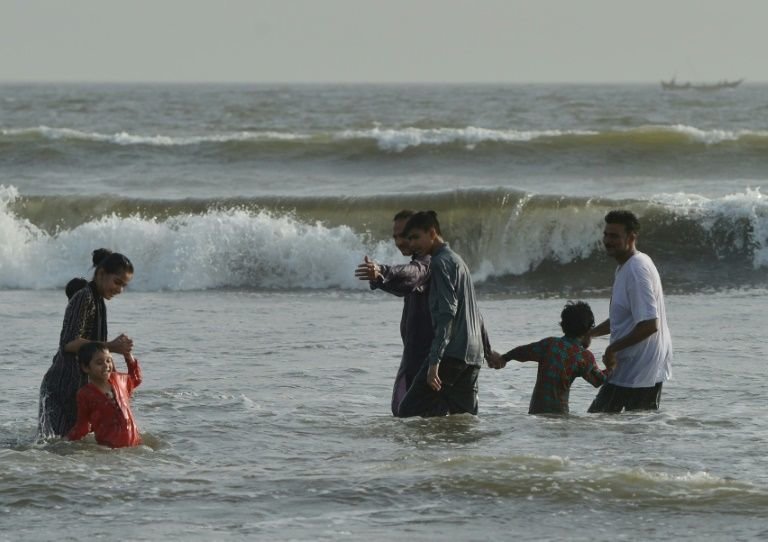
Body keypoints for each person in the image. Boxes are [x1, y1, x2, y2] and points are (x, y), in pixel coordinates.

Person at [396, 211, 494, 417]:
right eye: (409, 238)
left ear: (432, 233)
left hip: (452, 354)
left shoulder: (439, 263)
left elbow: (446, 315)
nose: (411, 244)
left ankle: (428, 448)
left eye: (415, 237)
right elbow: (474, 311)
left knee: (407, 411)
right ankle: (459, 450)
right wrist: (487, 349)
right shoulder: (459, 261)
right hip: (473, 356)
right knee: (463, 419)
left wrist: (434, 363)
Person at [38, 249, 135, 438]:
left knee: (76, 447)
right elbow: (69, 343)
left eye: (124, 285)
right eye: (117, 282)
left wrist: (114, 382)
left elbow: (97, 351)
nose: (119, 290)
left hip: (80, 386)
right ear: (100, 274)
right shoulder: (85, 297)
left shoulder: (98, 301)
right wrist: (112, 346)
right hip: (62, 387)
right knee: (58, 448)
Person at [588, 210, 673, 412]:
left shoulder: (636, 269)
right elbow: (622, 318)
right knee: (628, 430)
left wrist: (612, 349)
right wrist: (590, 333)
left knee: (604, 421)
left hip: (641, 369)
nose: (607, 241)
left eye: (614, 236)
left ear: (631, 237)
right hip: (632, 367)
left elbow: (650, 324)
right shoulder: (625, 267)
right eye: (606, 235)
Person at [355, 210, 433, 416]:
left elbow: (412, 274)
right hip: (417, 354)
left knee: (407, 414)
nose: (399, 241)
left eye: (406, 235)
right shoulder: (421, 262)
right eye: (395, 236)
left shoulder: (428, 262)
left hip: (428, 358)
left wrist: (383, 271)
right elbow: (405, 286)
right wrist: (380, 278)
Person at [490, 301, 615, 414]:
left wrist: (504, 358)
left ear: (562, 325)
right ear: (589, 329)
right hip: (560, 414)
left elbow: (521, 352)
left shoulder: (549, 345)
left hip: (536, 412)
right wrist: (611, 367)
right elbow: (598, 380)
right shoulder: (584, 357)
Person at [67, 342, 143, 448]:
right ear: (86, 367)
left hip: (134, 446)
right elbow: (83, 425)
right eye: (99, 363)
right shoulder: (85, 394)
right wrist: (66, 443)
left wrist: (128, 357)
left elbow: (136, 379)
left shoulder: (120, 380)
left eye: (108, 361)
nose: (106, 365)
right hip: (108, 450)